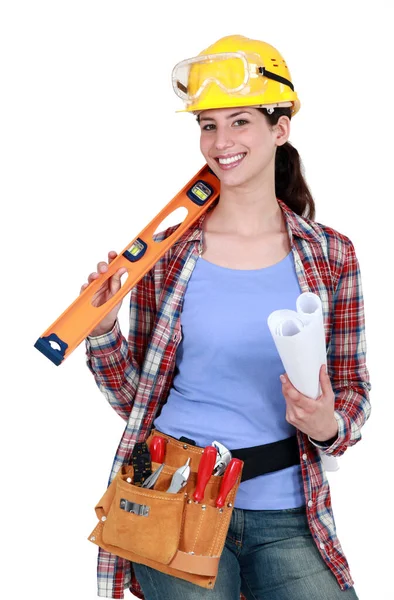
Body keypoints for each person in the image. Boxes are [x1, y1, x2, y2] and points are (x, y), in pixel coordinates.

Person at [83, 35, 371, 600]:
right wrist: (102, 333)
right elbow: (136, 401)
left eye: (240, 122)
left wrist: (328, 425)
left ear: (280, 128)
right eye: (208, 125)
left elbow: (354, 390)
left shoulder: (332, 255)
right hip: (173, 501)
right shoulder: (166, 253)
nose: (220, 142)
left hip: (285, 511)